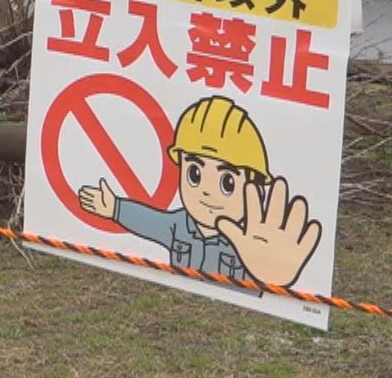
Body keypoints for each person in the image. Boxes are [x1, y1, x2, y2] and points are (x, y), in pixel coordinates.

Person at [76, 96, 322, 288]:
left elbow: (265, 283)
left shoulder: (252, 240)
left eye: (227, 182)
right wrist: (115, 208)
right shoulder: (179, 225)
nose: (206, 193)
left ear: (254, 187)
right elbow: (150, 221)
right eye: (195, 174)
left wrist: (276, 274)